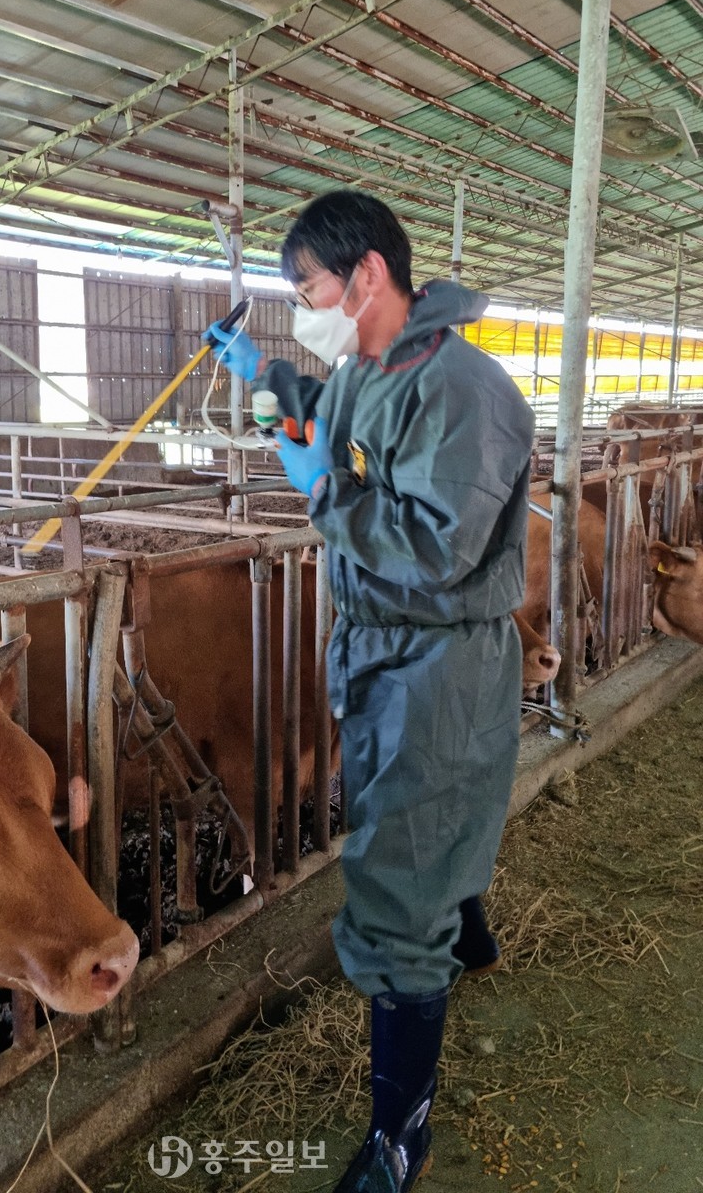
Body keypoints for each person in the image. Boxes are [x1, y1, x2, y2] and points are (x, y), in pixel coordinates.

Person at [204, 189, 535, 1193]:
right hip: (381, 644)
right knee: (419, 814)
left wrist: (319, 490)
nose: (302, 305)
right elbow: (331, 420)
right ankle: (464, 930)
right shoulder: (373, 365)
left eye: (306, 288)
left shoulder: (466, 388)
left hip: (438, 654)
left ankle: (403, 1135)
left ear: (369, 276)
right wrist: (265, 376)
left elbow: (438, 545)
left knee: (399, 866)